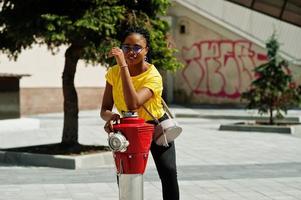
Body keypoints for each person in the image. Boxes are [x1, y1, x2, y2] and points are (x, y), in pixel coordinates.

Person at [100, 26, 179, 200]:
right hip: (128, 129)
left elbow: (132, 104)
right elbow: (104, 109)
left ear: (146, 50)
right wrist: (111, 117)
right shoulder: (113, 73)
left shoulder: (153, 76)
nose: (131, 52)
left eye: (137, 47)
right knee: (125, 174)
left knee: (168, 172)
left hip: (155, 126)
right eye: (126, 47)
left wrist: (122, 65)